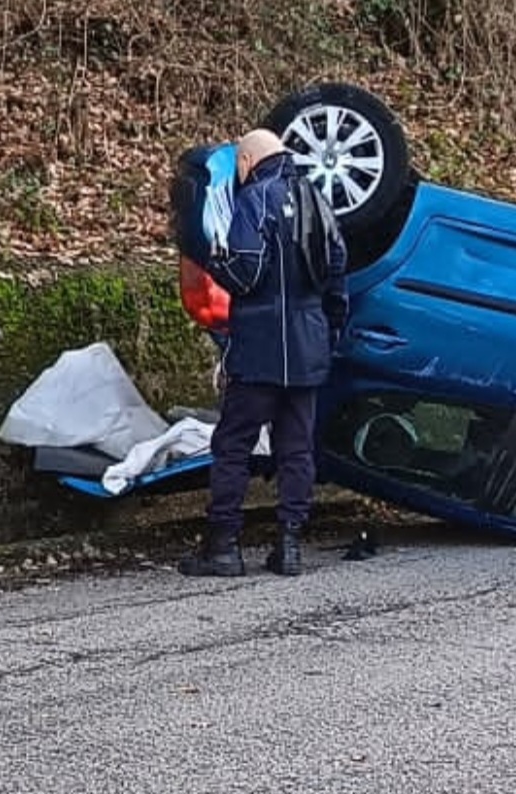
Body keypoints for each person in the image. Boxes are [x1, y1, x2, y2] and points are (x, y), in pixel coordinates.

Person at [178, 128, 348, 577]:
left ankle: (223, 546)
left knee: (233, 444)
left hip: (259, 347)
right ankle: (289, 545)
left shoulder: (254, 199)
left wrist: (217, 260)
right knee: (296, 448)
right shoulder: (317, 200)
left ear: (248, 161)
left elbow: (247, 272)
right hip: (308, 347)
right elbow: (337, 275)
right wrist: (327, 334)